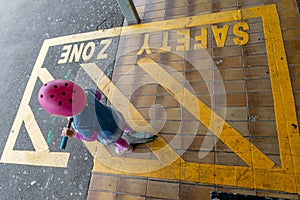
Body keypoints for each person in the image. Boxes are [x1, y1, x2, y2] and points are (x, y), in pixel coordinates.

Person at [38, 79, 156, 155]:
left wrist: (74, 134)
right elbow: (98, 95)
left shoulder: (79, 124)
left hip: (110, 132)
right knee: (122, 125)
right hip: (115, 116)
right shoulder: (87, 93)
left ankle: (127, 148)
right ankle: (130, 131)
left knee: (118, 140)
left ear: (58, 113)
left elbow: (92, 137)